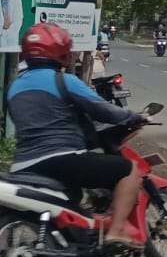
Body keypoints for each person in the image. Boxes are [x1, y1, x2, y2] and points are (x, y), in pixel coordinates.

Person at [5, 22, 145, 245]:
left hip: (23, 165)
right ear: (61, 52)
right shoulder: (63, 80)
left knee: (77, 196)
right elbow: (103, 110)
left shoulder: (15, 87)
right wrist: (133, 116)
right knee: (129, 170)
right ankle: (117, 229)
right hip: (62, 158)